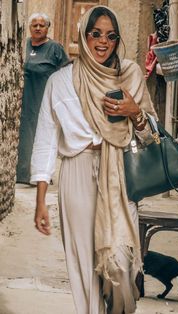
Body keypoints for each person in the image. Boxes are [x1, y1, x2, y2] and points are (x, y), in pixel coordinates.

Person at [31, 6, 157, 314]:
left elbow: (151, 136)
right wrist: (41, 200)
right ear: (83, 36)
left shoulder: (128, 76)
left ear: (117, 40)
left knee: (122, 268)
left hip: (119, 174)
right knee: (86, 265)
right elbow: (46, 140)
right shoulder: (60, 81)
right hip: (77, 172)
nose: (103, 42)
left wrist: (134, 112)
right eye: (95, 34)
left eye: (111, 35)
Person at [16, 12, 69, 184]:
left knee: (42, 137)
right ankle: (22, 175)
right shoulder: (23, 45)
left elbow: (66, 74)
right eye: (34, 25)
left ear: (48, 27)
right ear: (30, 27)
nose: (38, 28)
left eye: (42, 25)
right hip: (23, 101)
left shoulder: (55, 48)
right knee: (22, 135)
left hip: (44, 100)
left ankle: (39, 176)